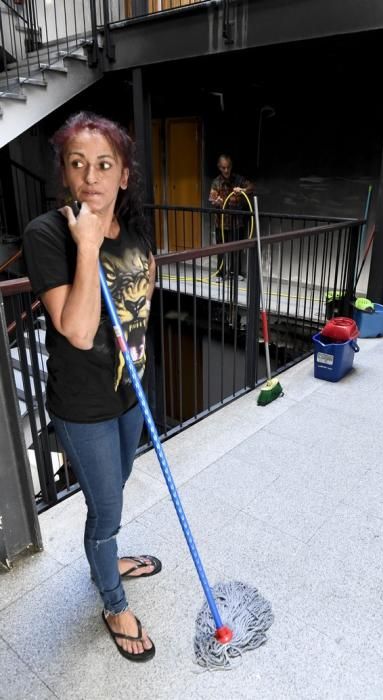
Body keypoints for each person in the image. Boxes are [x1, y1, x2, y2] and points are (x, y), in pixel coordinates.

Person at [22, 112, 159, 663]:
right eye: (77, 164)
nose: (91, 177)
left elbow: (142, 300)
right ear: (64, 174)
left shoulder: (135, 227)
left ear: (123, 174)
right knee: (105, 511)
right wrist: (86, 242)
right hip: (83, 406)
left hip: (130, 391)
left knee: (118, 488)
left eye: (105, 164)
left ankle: (109, 555)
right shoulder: (47, 234)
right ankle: (112, 600)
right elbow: (78, 331)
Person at [208, 154, 254, 281]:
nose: (226, 170)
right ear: (219, 167)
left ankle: (235, 272)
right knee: (220, 250)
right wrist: (216, 202)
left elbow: (251, 187)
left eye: (228, 167)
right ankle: (220, 273)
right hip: (221, 223)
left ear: (231, 166)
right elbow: (212, 199)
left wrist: (243, 190)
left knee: (236, 249)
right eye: (223, 168)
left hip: (236, 222)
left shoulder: (238, 179)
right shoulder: (216, 182)